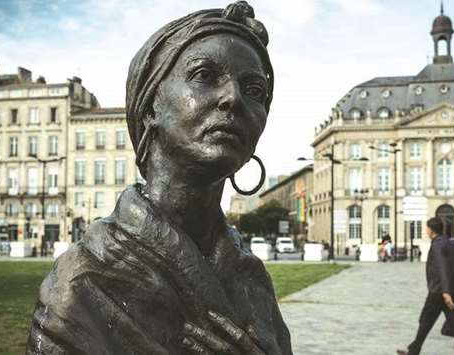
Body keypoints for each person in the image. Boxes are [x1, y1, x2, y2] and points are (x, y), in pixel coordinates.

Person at [26, 2, 292, 354]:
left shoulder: (252, 279)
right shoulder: (83, 280)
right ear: (151, 106)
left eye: (254, 90)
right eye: (204, 76)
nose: (233, 98)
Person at [397, 217, 454, 355]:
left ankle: (413, 351)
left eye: (426, 228)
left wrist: (446, 292)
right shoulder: (450, 244)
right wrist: (453, 291)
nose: (426, 231)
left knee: (425, 321)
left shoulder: (437, 245)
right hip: (450, 290)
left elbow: (442, 268)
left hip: (439, 291)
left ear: (430, 230)